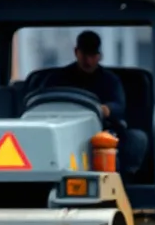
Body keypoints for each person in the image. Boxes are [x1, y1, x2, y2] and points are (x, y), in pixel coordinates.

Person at [45, 30, 148, 175]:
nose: (88, 61)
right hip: (61, 130)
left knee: (136, 139)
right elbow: (46, 100)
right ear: (76, 52)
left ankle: (123, 180)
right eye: (84, 55)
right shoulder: (57, 79)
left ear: (99, 56)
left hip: (101, 131)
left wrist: (106, 109)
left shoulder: (110, 80)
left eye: (92, 56)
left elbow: (119, 106)